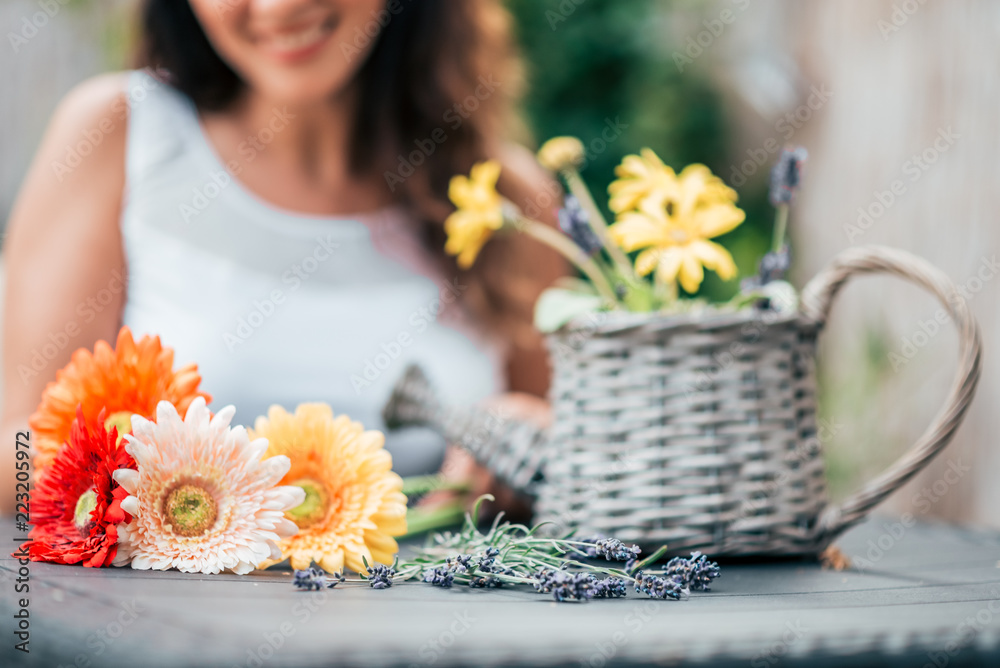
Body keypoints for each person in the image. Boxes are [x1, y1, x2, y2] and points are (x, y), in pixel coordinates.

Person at [1, 0, 564, 514]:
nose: (279, 6)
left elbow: (574, 464)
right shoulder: (122, 134)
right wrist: (172, 484)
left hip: (446, 615)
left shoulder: (509, 201)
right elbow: (14, 456)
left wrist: (532, 433)